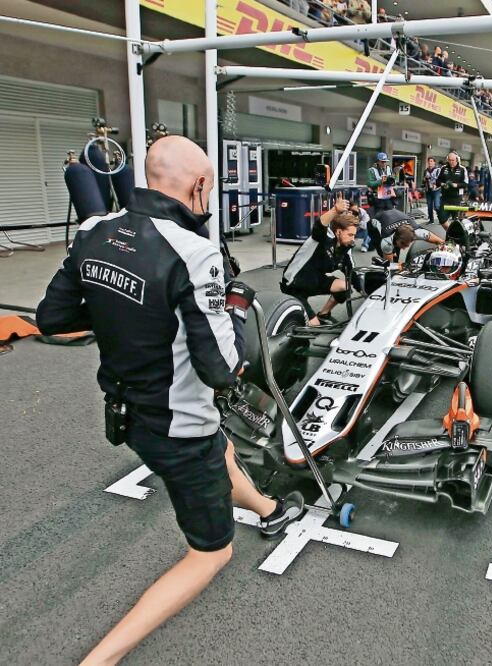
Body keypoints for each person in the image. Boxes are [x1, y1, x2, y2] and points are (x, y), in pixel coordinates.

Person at [35, 136, 304, 664]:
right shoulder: (195, 251)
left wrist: (134, 315)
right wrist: (232, 312)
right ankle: (100, 659)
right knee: (210, 554)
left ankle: (269, 508)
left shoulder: (93, 230)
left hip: (127, 414)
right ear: (201, 186)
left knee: (219, 447)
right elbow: (222, 370)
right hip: (178, 426)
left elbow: (53, 318)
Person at [280, 196, 359, 326]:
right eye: (350, 235)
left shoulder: (346, 248)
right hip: (294, 284)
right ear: (338, 232)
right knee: (314, 326)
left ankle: (324, 314)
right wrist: (335, 210)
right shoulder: (323, 237)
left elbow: (353, 274)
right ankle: (308, 319)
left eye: (354, 235)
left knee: (346, 286)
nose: (353, 239)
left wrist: (371, 297)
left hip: (314, 280)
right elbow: (319, 225)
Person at [436, 151, 468, 229]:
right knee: (442, 219)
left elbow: (466, 184)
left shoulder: (462, 169)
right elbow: (437, 181)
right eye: (449, 160)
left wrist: (456, 185)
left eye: (453, 160)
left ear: (457, 160)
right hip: (445, 198)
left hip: (457, 199)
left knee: (456, 221)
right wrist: (442, 184)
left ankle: (456, 235)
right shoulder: (443, 168)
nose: (451, 162)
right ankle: (450, 233)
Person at [422, 156, 441, 225]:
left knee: (436, 205)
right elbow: (423, 181)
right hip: (428, 190)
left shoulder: (438, 170)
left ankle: (441, 219)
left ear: (434, 162)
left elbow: (441, 180)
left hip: (436, 190)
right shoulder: (426, 171)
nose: (430, 162)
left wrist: (437, 184)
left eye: (431, 161)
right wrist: (424, 180)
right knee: (429, 206)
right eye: (429, 161)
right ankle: (431, 220)